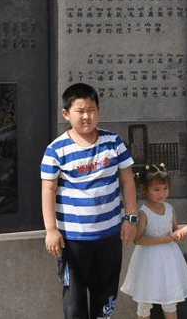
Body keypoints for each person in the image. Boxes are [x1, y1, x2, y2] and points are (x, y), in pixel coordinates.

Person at [41, 83, 138, 319]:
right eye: (80, 111)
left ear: (98, 110)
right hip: (73, 240)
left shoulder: (113, 142)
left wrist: (131, 218)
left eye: (92, 110)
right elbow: (48, 190)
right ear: (66, 114)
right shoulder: (56, 150)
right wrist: (51, 230)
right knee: (74, 304)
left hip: (109, 236)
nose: (87, 116)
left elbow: (127, 180)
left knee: (105, 299)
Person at [120, 164, 187, 319]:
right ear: (144, 189)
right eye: (156, 189)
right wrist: (162, 239)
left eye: (165, 188)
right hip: (148, 262)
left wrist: (179, 234)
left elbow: (174, 228)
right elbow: (138, 239)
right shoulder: (143, 213)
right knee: (144, 302)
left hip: (169, 260)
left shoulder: (169, 208)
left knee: (170, 299)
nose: (162, 193)